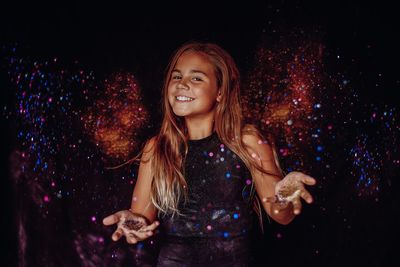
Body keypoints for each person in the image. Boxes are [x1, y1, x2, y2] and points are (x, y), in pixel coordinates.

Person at [102, 42, 316, 266]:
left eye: (196, 78)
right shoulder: (157, 149)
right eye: (176, 77)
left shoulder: (247, 142)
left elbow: (281, 214)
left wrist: (284, 197)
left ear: (221, 92)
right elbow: (143, 218)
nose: (181, 84)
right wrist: (135, 224)